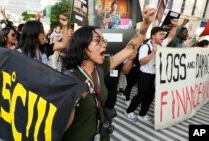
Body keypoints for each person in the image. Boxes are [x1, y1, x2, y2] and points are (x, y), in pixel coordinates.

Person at [62, 7, 156, 141]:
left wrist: (146, 24)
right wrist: (72, 101)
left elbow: (129, 48)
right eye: (97, 40)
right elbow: (59, 127)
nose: (104, 45)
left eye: (103, 41)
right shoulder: (69, 79)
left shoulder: (100, 68)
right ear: (82, 46)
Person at [126, 27, 165, 123]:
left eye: (163, 34)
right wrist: (153, 53)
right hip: (144, 74)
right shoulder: (145, 47)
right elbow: (142, 62)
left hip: (154, 75)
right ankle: (129, 111)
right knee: (142, 94)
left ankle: (142, 114)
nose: (163, 36)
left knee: (150, 96)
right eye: (160, 34)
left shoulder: (162, 46)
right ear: (153, 36)